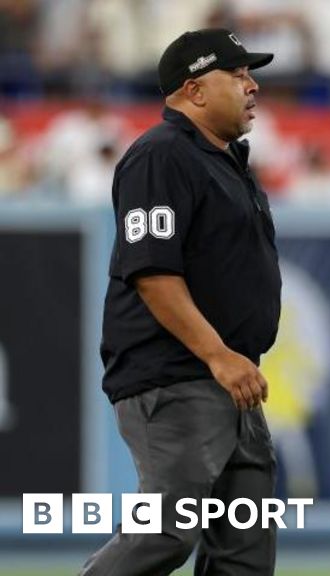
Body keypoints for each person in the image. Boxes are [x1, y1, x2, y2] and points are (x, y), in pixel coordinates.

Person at [82, 28, 280, 576]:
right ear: (194, 91)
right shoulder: (161, 155)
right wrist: (217, 355)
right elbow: (153, 274)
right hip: (178, 373)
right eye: (237, 75)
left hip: (231, 379)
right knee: (167, 529)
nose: (252, 86)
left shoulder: (227, 161)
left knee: (243, 555)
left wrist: (229, 361)